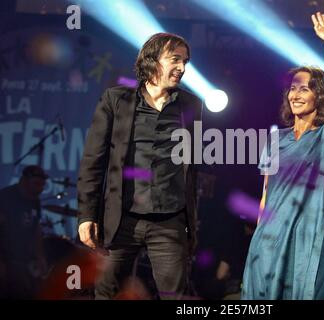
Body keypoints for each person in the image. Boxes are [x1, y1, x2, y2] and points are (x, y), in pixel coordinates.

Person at [77, 33, 202, 300]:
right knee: (107, 293)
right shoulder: (116, 100)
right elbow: (93, 161)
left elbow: (193, 171)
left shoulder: (191, 105)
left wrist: (191, 223)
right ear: (152, 60)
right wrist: (87, 214)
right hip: (121, 219)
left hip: (169, 220)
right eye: (175, 59)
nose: (182, 67)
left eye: (185, 61)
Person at [242, 12, 324, 300]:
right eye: (293, 88)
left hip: (308, 241)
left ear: (320, 96)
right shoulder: (276, 140)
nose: (296, 94)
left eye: (305, 88)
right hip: (269, 239)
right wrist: (259, 237)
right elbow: (266, 194)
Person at [0, 165, 48, 299]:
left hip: (23, 260)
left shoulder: (35, 201)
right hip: (6, 258)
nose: (40, 189)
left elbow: (36, 230)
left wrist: (40, 256)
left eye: (42, 185)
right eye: (36, 184)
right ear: (24, 180)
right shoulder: (6, 197)